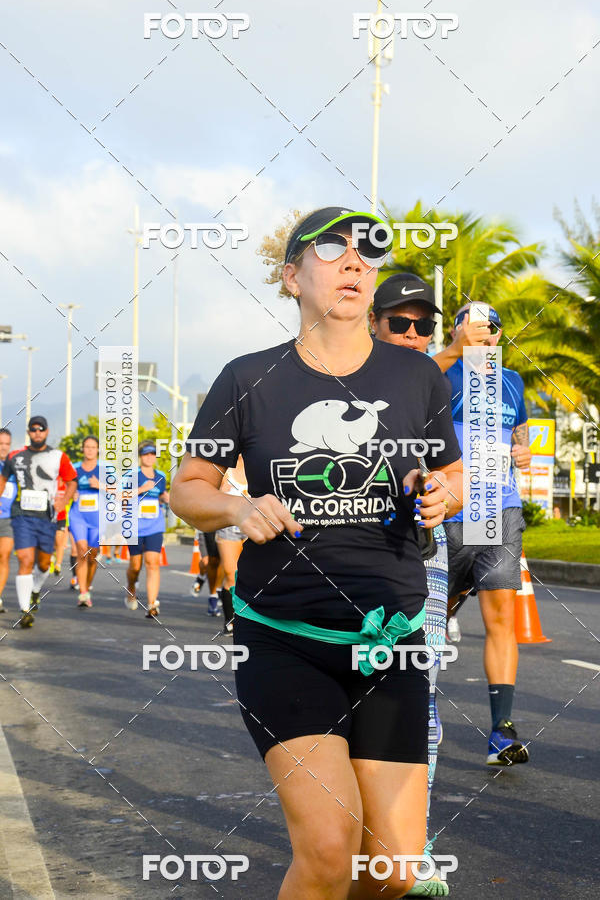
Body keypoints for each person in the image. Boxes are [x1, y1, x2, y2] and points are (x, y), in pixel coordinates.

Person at [171, 207, 463, 899]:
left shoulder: (417, 377)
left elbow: (451, 470)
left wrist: (442, 492)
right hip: (283, 637)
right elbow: (187, 489)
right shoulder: (248, 378)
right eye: (333, 250)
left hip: (389, 638)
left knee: (391, 872)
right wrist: (239, 507)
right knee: (331, 850)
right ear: (291, 276)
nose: (355, 262)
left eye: (368, 252)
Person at [369, 272, 452, 898]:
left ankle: (412, 849)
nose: (414, 334)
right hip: (343, 562)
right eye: (401, 322)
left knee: (418, 691)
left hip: (421, 551)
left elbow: (452, 469)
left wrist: (442, 492)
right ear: (374, 322)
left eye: (425, 324)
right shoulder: (340, 379)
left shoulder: (432, 386)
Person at [434, 302, 532, 766]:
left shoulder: (513, 381)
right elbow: (413, 388)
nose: (484, 336)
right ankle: (416, 707)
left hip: (501, 509)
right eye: (474, 328)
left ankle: (501, 730)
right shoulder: (442, 372)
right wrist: (456, 349)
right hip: (449, 511)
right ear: (456, 331)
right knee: (432, 617)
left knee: (500, 619)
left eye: (492, 329)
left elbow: (521, 435)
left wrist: (522, 451)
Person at [0, 416, 77, 627]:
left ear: (47, 431)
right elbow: (3, 478)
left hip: (46, 517)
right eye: (33, 429)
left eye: (40, 429)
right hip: (22, 515)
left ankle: (35, 590)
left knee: (43, 564)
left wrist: (64, 499)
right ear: (28, 432)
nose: (37, 433)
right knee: (25, 559)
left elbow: (72, 481)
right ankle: (25, 610)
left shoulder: (58, 456)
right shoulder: (16, 456)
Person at [126, 441, 169, 617]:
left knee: (152, 563)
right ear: (140, 456)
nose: (149, 457)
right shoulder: (131, 475)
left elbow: (159, 497)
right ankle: (131, 587)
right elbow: (122, 496)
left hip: (155, 525)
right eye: (146, 454)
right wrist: (142, 489)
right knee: (135, 566)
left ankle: (152, 604)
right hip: (135, 526)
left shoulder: (161, 476)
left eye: (153, 454)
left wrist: (164, 498)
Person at [215, 455, 248, 635]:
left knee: (250, 573)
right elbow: (210, 497)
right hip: (228, 526)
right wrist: (222, 494)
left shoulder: (256, 465)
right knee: (230, 572)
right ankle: (230, 620)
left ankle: (249, 618)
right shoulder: (225, 470)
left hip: (252, 526)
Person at [69, 435, 101, 608]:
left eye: (93, 447)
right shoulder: (74, 469)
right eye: (87, 447)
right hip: (78, 516)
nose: (89, 450)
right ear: (82, 449)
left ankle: (86, 586)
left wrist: (100, 485)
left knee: (92, 554)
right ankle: (83, 593)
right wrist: (71, 493)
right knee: (82, 551)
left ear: (97, 450)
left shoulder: (105, 469)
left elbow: (117, 492)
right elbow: (66, 487)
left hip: (97, 518)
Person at [0, 428, 17, 612]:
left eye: (7, 444)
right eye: (0, 443)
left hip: (8, 519)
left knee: (4, 556)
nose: (3, 448)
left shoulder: (15, 466)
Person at [192, 530, 223, 617]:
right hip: (204, 530)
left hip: (224, 530)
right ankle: (201, 577)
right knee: (206, 562)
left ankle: (215, 595)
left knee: (222, 562)